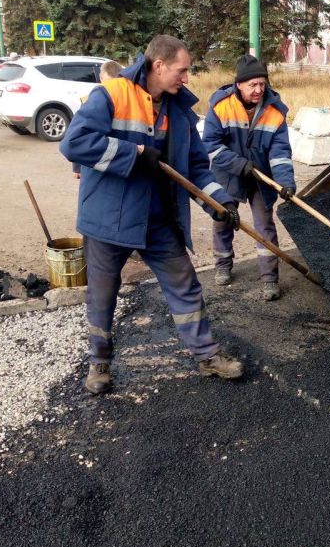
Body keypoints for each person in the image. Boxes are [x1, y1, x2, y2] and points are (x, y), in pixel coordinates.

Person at [60, 35, 244, 394]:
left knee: (185, 285)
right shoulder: (112, 95)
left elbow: (195, 167)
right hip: (108, 220)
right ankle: (99, 364)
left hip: (158, 219)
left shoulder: (179, 111)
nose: (186, 78)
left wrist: (221, 203)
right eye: (182, 70)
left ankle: (207, 355)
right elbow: (74, 143)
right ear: (159, 66)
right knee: (102, 294)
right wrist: (133, 152)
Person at [202, 54, 296, 301]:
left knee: (264, 225)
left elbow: (280, 151)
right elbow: (210, 145)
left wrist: (285, 181)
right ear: (239, 84)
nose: (258, 90)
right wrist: (237, 164)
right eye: (252, 85)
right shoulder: (221, 105)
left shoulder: (275, 111)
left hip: (260, 174)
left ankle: (269, 279)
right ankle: (223, 265)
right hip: (229, 172)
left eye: (262, 84)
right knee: (223, 217)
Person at [73, 61, 122, 179]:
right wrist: (77, 167)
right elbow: (80, 134)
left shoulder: (124, 100)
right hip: (95, 161)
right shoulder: (90, 101)